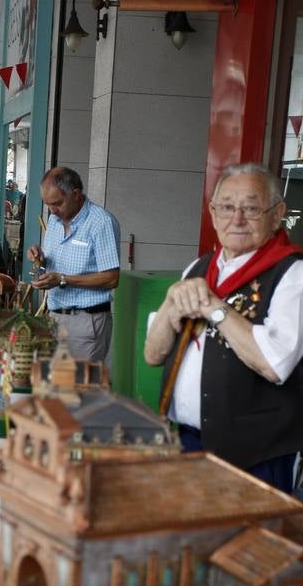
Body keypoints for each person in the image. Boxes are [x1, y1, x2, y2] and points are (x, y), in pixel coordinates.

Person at [144, 162, 303, 493]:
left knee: (246, 542)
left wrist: (215, 308)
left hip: (256, 456)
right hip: (186, 440)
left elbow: (274, 365)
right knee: (190, 539)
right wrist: (172, 302)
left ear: (277, 215)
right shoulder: (199, 267)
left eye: (252, 208)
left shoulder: (292, 274)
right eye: (228, 207)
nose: (238, 218)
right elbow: (153, 354)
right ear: (214, 213)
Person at [28, 167, 120, 362]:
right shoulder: (54, 220)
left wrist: (62, 279)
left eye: (57, 203)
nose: (52, 210)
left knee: (79, 388)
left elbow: (111, 278)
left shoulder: (101, 222)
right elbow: (54, 266)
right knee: (51, 388)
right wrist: (41, 261)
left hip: (85, 321)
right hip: (54, 318)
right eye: (48, 205)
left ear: (76, 194)